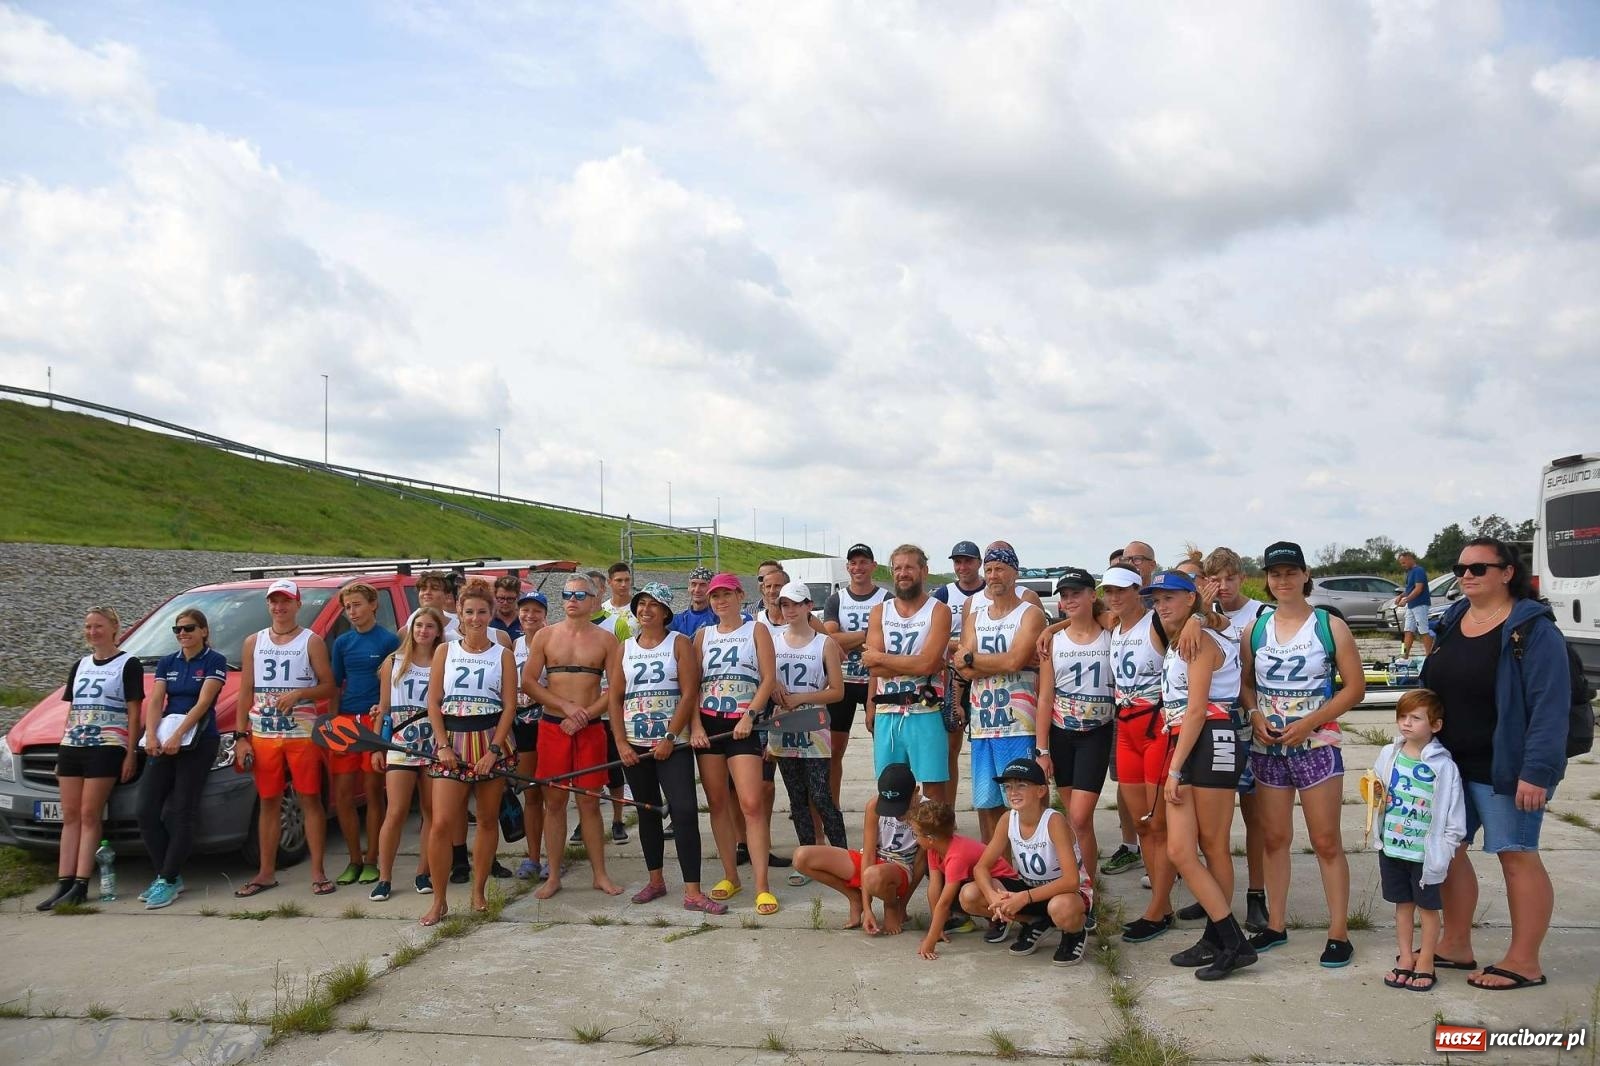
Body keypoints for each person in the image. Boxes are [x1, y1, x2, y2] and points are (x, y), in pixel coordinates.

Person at [1425, 537, 1570, 991]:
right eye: (1461, 567)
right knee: (1449, 854)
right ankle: (1455, 943)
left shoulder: (1533, 630)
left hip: (1507, 768)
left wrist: (1538, 771)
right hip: (1451, 765)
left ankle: (1524, 961)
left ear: (1507, 573)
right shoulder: (1452, 620)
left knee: (1516, 856)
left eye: (1479, 568)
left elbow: (1551, 705)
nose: (1466, 575)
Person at [1240, 540, 1365, 966]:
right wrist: (1255, 714)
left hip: (1316, 746)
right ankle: (1275, 925)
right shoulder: (1256, 628)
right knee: (1274, 839)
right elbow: (1246, 684)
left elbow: (1355, 686)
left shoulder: (1329, 626)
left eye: (1291, 572)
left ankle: (1339, 933)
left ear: (1305, 575)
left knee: (1326, 840)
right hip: (1269, 749)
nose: (1284, 580)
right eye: (1275, 574)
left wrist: (1310, 722)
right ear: (1267, 580)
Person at [1146, 569, 1255, 979]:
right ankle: (1229, 939)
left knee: (1213, 845)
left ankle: (1222, 937)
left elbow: (1196, 709)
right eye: (1156, 601)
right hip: (1186, 740)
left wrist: (1174, 768)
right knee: (1180, 850)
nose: (1162, 606)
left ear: (1191, 598)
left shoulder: (1201, 639)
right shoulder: (1183, 638)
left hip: (1211, 739)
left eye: (1170, 597)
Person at [610, 582, 726, 913]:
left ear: (665, 612)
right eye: (641, 604)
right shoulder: (624, 649)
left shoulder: (679, 643)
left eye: (653, 605)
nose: (645, 610)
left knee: (685, 811)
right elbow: (615, 698)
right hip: (635, 744)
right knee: (647, 813)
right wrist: (620, 742)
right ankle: (656, 881)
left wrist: (671, 737)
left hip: (671, 746)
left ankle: (692, 891)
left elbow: (689, 693)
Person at [36, 607, 147, 912]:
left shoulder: (128, 664)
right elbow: (71, 711)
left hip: (107, 744)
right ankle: (64, 881)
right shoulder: (80, 665)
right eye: (88, 627)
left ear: (114, 628)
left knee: (89, 814)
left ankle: (82, 882)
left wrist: (130, 752)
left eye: (98, 626)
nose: (92, 632)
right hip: (74, 743)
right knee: (68, 814)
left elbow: (135, 711)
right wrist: (62, 748)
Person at [422, 580, 517, 925]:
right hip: (453, 741)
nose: (475, 618)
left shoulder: (502, 655)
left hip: (490, 740)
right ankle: (439, 900)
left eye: (482, 612)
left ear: (491, 614)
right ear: (459, 615)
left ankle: (479, 890)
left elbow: (509, 707)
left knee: (488, 820)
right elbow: (433, 702)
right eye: (469, 612)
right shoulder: (445, 652)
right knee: (442, 824)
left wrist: (494, 750)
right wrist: (443, 745)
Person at [525, 575, 625, 900]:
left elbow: (615, 689)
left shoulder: (606, 640)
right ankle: (553, 875)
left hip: (590, 728)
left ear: (594, 600)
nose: (572, 599)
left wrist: (586, 714)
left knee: (590, 802)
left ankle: (600, 874)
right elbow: (529, 682)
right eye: (567, 594)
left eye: (580, 594)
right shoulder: (545, 636)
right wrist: (566, 707)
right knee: (553, 802)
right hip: (554, 727)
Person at [235, 580, 336, 897]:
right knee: (268, 800)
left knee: (309, 798)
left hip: (300, 732)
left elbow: (328, 686)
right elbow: (245, 690)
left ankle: (318, 871)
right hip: (264, 732)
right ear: (268, 605)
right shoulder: (254, 641)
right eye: (274, 602)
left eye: (286, 601)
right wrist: (241, 736)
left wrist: (300, 693)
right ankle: (266, 871)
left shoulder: (311, 641)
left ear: (297, 604)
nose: (279, 607)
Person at [694, 572, 780, 912]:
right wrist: (695, 726)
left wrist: (750, 715)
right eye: (715, 596)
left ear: (740, 595)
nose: (720, 601)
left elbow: (769, 677)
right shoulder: (702, 635)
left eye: (726, 594)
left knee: (751, 804)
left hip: (743, 725)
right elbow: (692, 685)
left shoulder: (755, 630)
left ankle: (762, 885)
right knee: (717, 804)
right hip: (710, 725)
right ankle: (731, 875)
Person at [1370, 689, 1467, 993]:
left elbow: (1454, 817)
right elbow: (1377, 791)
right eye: (1402, 717)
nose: (1406, 723)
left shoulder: (1444, 767)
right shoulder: (1389, 754)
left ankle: (1426, 959)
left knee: (1427, 910)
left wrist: (1445, 850)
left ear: (1435, 726)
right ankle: (1405, 957)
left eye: (1415, 718)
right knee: (1402, 906)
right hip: (1393, 847)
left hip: (1424, 855)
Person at [128, 608, 224, 910]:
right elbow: (157, 699)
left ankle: (167, 877)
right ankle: (166, 875)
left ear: (204, 631)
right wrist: (153, 734)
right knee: (144, 809)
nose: (183, 633)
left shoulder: (214, 661)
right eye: (178, 629)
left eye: (190, 628)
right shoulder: (168, 662)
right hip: (165, 735)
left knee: (182, 810)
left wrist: (179, 735)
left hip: (197, 739)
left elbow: (204, 702)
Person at [1199, 546, 1271, 933]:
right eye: (1215, 580)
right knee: (1212, 821)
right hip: (1212, 724)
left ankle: (1256, 893)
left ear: (1242, 578)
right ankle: (1213, 893)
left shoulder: (1260, 615)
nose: (1222, 587)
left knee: (1253, 813)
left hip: (1250, 720)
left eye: (1229, 579)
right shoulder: (1199, 615)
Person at [954, 543, 1046, 842]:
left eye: (1000, 569)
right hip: (983, 724)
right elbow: (962, 668)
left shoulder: (1029, 614)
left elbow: (1016, 661)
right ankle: (996, 870)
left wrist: (973, 659)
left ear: (1014, 573)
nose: (993, 576)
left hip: (1018, 722)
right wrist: (981, 662)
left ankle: (1031, 868)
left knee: (1024, 803)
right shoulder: (975, 617)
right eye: (989, 569)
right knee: (987, 802)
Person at [961, 758, 1091, 965]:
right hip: (1030, 889)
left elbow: (1071, 881)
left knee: (1062, 907)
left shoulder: (1053, 821)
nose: (1013, 792)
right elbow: (981, 867)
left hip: (1064, 892)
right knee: (970, 895)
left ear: (1040, 791)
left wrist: (1023, 898)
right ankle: (1034, 922)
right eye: (1008, 786)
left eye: (1021, 785)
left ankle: (1075, 931)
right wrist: (993, 897)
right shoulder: (1008, 819)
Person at [1035, 567, 1114, 884]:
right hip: (1062, 734)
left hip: (1096, 732)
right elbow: (1044, 697)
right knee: (1074, 821)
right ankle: (1078, 883)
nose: (1069, 600)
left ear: (1092, 594)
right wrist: (1042, 749)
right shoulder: (1053, 641)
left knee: (1080, 817)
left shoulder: (1111, 631)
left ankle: (1087, 887)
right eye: (1065, 596)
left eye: (1076, 593)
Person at [864, 545, 954, 803]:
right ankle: (898, 844)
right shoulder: (880, 611)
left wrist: (882, 658)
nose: (903, 573)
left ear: (924, 571)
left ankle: (930, 844)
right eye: (897, 568)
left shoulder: (938, 610)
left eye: (909, 567)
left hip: (924, 709)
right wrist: (915, 663)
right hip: (887, 711)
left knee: (933, 790)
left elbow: (927, 664)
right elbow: (873, 669)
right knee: (890, 788)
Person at [769, 580, 848, 868]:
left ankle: (843, 856)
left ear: (808, 606)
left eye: (795, 604)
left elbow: (837, 691)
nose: (789, 610)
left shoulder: (823, 642)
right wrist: (773, 684)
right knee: (797, 797)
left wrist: (801, 698)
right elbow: (764, 675)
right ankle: (807, 858)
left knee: (821, 794)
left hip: (814, 724)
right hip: (783, 725)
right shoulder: (773, 640)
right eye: (784, 604)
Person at [794, 762, 924, 934]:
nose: (895, 813)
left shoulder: (928, 812)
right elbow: (868, 855)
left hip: (900, 868)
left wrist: (900, 905)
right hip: (873, 863)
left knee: (873, 875)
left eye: (900, 807)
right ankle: (854, 898)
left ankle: (891, 906)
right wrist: (867, 908)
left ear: (915, 792)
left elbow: (922, 864)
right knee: (801, 857)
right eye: (890, 807)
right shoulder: (874, 806)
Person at [369, 607, 444, 901]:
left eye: (429, 626)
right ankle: (384, 876)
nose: (423, 631)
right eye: (418, 626)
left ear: (438, 631)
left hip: (434, 742)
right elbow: (384, 707)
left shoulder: (443, 659)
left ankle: (423, 871)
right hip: (401, 742)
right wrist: (377, 745)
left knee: (430, 811)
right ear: (411, 630)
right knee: (396, 811)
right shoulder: (394, 661)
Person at [329, 582, 400, 887]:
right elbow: (334, 685)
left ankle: (372, 859)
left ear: (373, 605)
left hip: (373, 721)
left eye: (357, 604)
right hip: (345, 721)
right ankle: (354, 859)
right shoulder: (342, 643)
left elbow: (394, 685)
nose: (352, 611)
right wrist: (330, 722)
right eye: (347, 607)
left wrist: (385, 726)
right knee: (343, 795)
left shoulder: (387, 640)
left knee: (373, 792)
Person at [908, 799, 1018, 960]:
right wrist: (937, 927)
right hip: (978, 882)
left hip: (1004, 885)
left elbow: (944, 902)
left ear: (930, 838)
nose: (915, 838)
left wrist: (930, 941)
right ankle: (972, 917)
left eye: (915, 834)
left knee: (965, 894)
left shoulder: (956, 855)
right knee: (953, 893)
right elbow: (934, 886)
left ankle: (1006, 919)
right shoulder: (935, 848)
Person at [823, 544, 888, 812]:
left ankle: (888, 808)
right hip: (844, 683)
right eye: (853, 563)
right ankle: (832, 807)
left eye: (863, 562)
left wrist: (849, 639)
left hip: (877, 681)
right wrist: (867, 634)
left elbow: (886, 641)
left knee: (885, 753)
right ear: (847, 568)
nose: (858, 568)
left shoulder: (886, 598)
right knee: (834, 751)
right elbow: (830, 638)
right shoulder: (836, 599)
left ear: (873, 566)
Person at [931, 540, 984, 794]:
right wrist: (961, 647)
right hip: (953, 678)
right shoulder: (944, 594)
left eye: (968, 561)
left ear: (979, 563)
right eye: (957, 562)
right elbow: (934, 637)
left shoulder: (989, 592)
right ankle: (948, 815)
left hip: (985, 677)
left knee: (985, 747)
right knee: (950, 749)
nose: (962, 567)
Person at [511, 591, 551, 880]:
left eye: (536, 611)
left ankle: (553, 856)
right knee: (530, 793)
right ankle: (533, 856)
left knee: (553, 794)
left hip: (548, 721)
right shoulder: (512, 644)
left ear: (545, 614)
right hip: (522, 725)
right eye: (525, 610)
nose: (530, 616)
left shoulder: (553, 640)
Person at [1394, 550, 1434, 658]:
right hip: (1411, 606)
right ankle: (1404, 655)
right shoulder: (1409, 572)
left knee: (1423, 630)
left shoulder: (1419, 571)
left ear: (1410, 559)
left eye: (1404, 563)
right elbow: (1409, 589)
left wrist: (1405, 600)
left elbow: (1418, 589)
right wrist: (1401, 596)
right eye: (1401, 563)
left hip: (1420, 604)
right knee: (1407, 630)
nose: (1403, 565)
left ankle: (1430, 656)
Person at [670, 566, 719, 637]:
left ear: (711, 588)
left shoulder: (718, 619)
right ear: (689, 588)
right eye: (693, 584)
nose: (697, 590)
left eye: (702, 585)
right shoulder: (677, 620)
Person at [603, 563, 636, 631]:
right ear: (609, 582)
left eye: (627, 580)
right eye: (619, 580)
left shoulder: (639, 608)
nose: (624, 584)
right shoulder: (603, 609)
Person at [490, 575, 524, 640]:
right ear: (495, 596)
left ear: (518, 597)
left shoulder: (526, 620)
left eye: (510, 599)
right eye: (501, 598)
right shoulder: (487, 621)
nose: (505, 603)